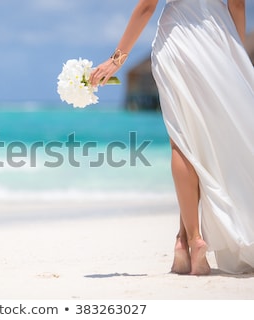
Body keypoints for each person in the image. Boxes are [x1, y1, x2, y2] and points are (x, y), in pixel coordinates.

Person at [90, 0, 254, 275]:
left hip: (176, 42)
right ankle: (185, 240)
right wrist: (236, 52)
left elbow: (146, 6)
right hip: (218, 40)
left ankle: (189, 240)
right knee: (205, 141)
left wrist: (116, 59)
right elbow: (237, 4)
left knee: (182, 140)